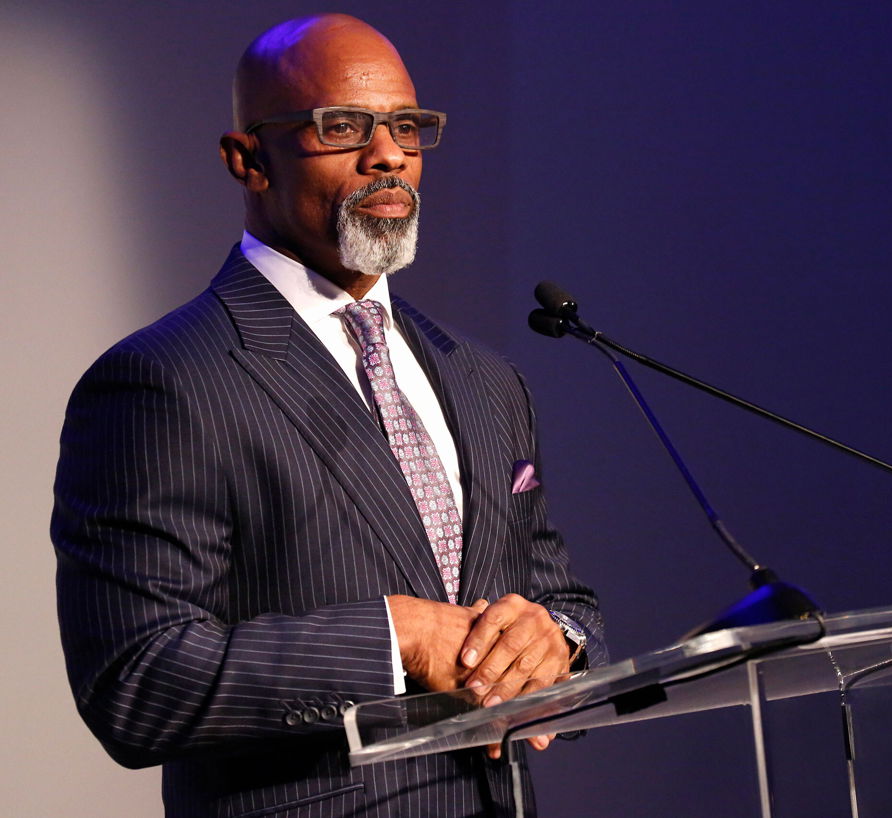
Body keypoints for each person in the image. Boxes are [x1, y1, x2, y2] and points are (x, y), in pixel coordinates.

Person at [51, 13, 605, 818]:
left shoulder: (485, 378)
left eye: (406, 127)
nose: (388, 156)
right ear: (248, 160)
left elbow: (564, 598)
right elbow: (136, 681)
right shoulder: (164, 381)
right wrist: (393, 637)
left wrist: (556, 638)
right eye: (341, 126)